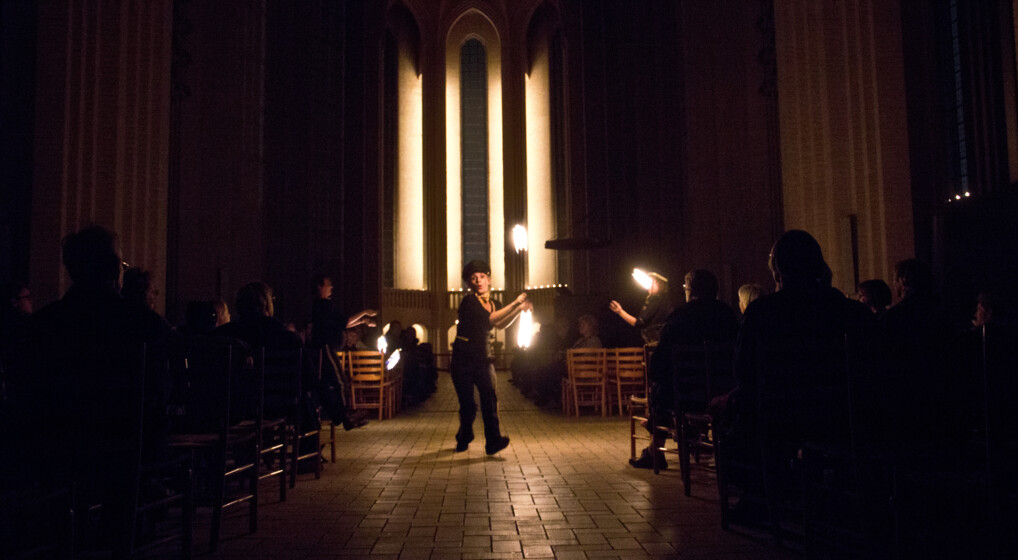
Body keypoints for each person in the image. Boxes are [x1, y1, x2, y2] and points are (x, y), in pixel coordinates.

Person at [631, 269, 740, 469]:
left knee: (660, 387)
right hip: (724, 394)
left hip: (685, 396)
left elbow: (659, 365)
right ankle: (697, 437)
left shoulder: (679, 317)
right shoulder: (728, 315)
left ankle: (656, 451)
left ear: (690, 290)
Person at [451, 260, 531, 454]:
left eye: (482, 277)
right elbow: (490, 319)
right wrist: (515, 303)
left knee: (489, 398)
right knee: (468, 405)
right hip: (462, 360)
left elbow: (501, 324)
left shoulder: (495, 303)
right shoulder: (469, 302)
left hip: (483, 358)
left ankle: (493, 441)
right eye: (473, 278)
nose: (478, 281)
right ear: (469, 283)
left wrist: (519, 310)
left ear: (489, 279)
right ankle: (464, 436)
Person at [609, 271, 673, 344]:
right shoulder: (664, 300)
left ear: (660, 284)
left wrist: (620, 312)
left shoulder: (657, 300)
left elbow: (639, 323)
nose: (649, 285)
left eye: (652, 282)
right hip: (664, 342)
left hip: (659, 344)